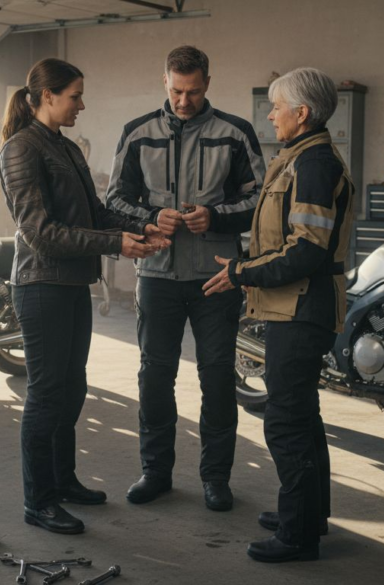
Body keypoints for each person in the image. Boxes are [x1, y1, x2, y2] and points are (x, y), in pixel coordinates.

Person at [0, 58, 170, 535]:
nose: (81, 104)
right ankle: (39, 499)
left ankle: (64, 479)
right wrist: (116, 243)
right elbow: (40, 232)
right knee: (47, 394)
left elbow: (95, 211)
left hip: (71, 284)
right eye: (74, 95)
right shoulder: (20, 149)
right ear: (47, 96)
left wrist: (144, 227)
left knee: (72, 388)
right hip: (41, 285)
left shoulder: (65, 147)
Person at [203, 67, 355, 562]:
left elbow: (306, 249)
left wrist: (244, 272)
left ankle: (297, 536)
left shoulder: (312, 164)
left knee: (286, 423)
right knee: (303, 418)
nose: (270, 115)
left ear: (302, 113)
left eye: (276, 106)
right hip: (297, 305)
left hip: (302, 306)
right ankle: (310, 515)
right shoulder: (299, 158)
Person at [106, 46, 266, 511]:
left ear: (208, 84)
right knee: (155, 376)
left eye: (193, 91)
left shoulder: (236, 133)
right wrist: (153, 216)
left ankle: (216, 478)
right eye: (176, 91)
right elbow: (115, 201)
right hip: (156, 275)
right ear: (165, 82)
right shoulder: (137, 133)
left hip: (216, 278)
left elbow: (260, 202)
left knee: (217, 378)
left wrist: (214, 217)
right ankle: (155, 472)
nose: (184, 100)